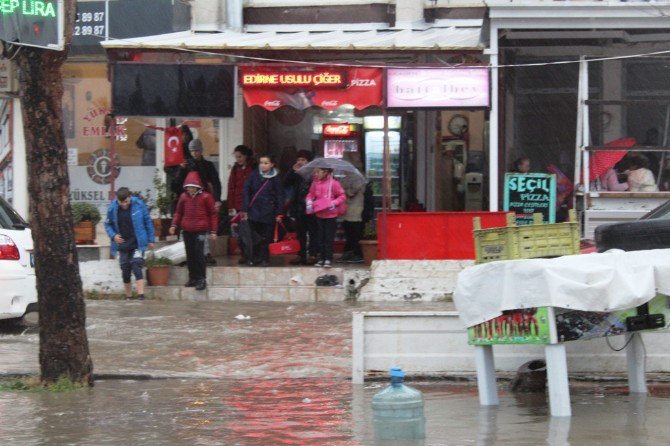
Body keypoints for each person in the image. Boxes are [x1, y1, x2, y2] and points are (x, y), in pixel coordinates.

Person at [173, 138, 222, 265]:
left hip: (203, 199)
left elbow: (216, 183)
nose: (194, 153)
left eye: (197, 151)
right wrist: (181, 170)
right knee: (185, 229)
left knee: (203, 228)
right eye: (192, 151)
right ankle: (182, 254)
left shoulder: (208, 165)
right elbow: (175, 185)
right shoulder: (185, 165)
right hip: (188, 200)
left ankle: (205, 254)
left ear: (201, 151)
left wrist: (217, 199)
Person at [169, 171, 218, 291]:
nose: (190, 189)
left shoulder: (206, 197)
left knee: (199, 255)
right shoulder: (183, 197)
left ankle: (201, 279)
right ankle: (193, 278)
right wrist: (174, 225)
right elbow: (179, 212)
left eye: (192, 187)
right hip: (187, 230)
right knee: (190, 256)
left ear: (197, 187)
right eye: (188, 187)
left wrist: (213, 231)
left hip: (201, 230)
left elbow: (213, 214)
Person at [104, 187, 155, 300]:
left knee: (137, 265)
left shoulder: (139, 205)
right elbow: (108, 224)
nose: (124, 205)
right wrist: (113, 235)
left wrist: (151, 239)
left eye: (126, 202)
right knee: (125, 270)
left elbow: (148, 222)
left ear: (129, 197)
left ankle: (141, 295)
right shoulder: (113, 208)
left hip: (138, 242)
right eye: (121, 203)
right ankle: (129, 296)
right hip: (123, 244)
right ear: (117, 200)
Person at [241, 154, 284, 266]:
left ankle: (264, 258)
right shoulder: (253, 175)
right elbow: (246, 192)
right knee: (254, 236)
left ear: (272, 164)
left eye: (266, 163)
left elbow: (280, 196)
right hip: (254, 210)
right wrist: (245, 209)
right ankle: (254, 257)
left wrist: (279, 212)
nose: (263, 165)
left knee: (266, 236)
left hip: (268, 211)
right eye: (261, 163)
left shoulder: (276, 178)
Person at [306, 167, 346, 268]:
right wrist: (309, 201)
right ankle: (321, 258)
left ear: (326, 172)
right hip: (319, 213)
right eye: (316, 172)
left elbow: (342, 196)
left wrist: (334, 202)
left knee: (328, 237)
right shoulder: (315, 183)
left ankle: (328, 258)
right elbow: (311, 194)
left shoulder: (334, 183)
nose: (316, 174)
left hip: (331, 215)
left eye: (319, 172)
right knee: (320, 237)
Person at [283, 149, 317, 265]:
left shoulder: (315, 173)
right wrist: (292, 170)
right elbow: (285, 183)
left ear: (309, 161)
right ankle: (301, 255)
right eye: (298, 159)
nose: (300, 162)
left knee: (313, 232)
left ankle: (312, 254)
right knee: (300, 233)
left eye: (303, 159)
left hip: (312, 208)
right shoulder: (296, 173)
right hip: (298, 207)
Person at [227, 145, 256, 264]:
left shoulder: (253, 168)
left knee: (251, 231)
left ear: (246, 156)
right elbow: (231, 188)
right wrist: (230, 206)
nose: (238, 159)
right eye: (236, 157)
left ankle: (252, 255)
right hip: (239, 206)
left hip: (251, 205)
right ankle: (245, 254)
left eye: (240, 156)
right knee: (240, 232)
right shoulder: (235, 169)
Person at [339, 174, 366, 264]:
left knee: (355, 233)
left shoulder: (359, 179)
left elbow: (351, 192)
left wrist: (344, 188)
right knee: (348, 233)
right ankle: (349, 252)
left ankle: (357, 254)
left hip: (356, 210)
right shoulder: (345, 178)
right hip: (347, 210)